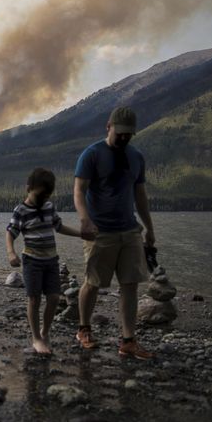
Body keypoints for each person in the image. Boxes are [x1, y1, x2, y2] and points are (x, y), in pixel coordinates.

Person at [73, 106, 156, 360]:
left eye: (128, 134)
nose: (123, 138)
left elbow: (140, 196)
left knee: (130, 285)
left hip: (130, 231)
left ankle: (128, 340)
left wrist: (150, 229)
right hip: (100, 232)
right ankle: (84, 329)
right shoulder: (92, 154)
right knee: (93, 282)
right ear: (108, 126)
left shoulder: (136, 157)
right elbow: (78, 191)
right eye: (120, 133)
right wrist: (85, 220)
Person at [6, 168, 83, 355]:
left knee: (55, 297)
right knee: (34, 299)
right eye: (40, 195)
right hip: (32, 260)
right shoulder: (21, 210)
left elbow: (59, 226)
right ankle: (36, 338)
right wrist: (11, 253)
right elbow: (10, 231)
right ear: (28, 188)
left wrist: (81, 233)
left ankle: (45, 332)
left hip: (51, 260)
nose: (43, 199)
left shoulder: (49, 206)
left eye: (47, 195)